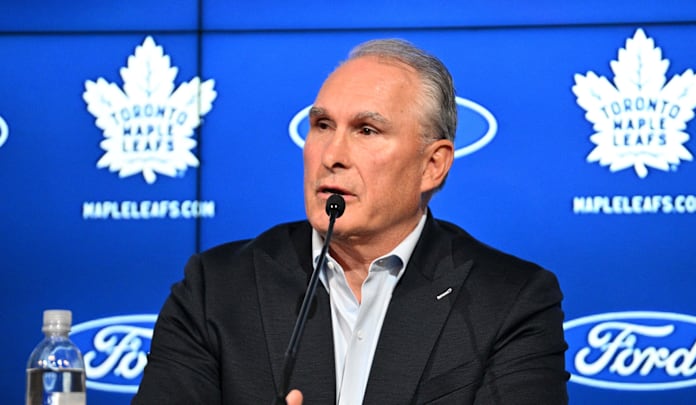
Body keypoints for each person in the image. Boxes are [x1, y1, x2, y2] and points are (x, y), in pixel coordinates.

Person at [132, 38, 569, 405]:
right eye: (322, 125)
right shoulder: (216, 289)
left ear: (433, 165)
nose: (332, 155)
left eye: (366, 131)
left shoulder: (509, 300)